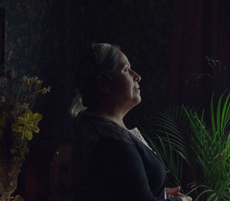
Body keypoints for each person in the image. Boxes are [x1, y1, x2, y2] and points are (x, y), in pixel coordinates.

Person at [69, 43, 192, 201]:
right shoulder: (112, 142)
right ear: (104, 84)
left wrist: (160, 193)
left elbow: (120, 190)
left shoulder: (94, 124)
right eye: (126, 69)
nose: (137, 76)